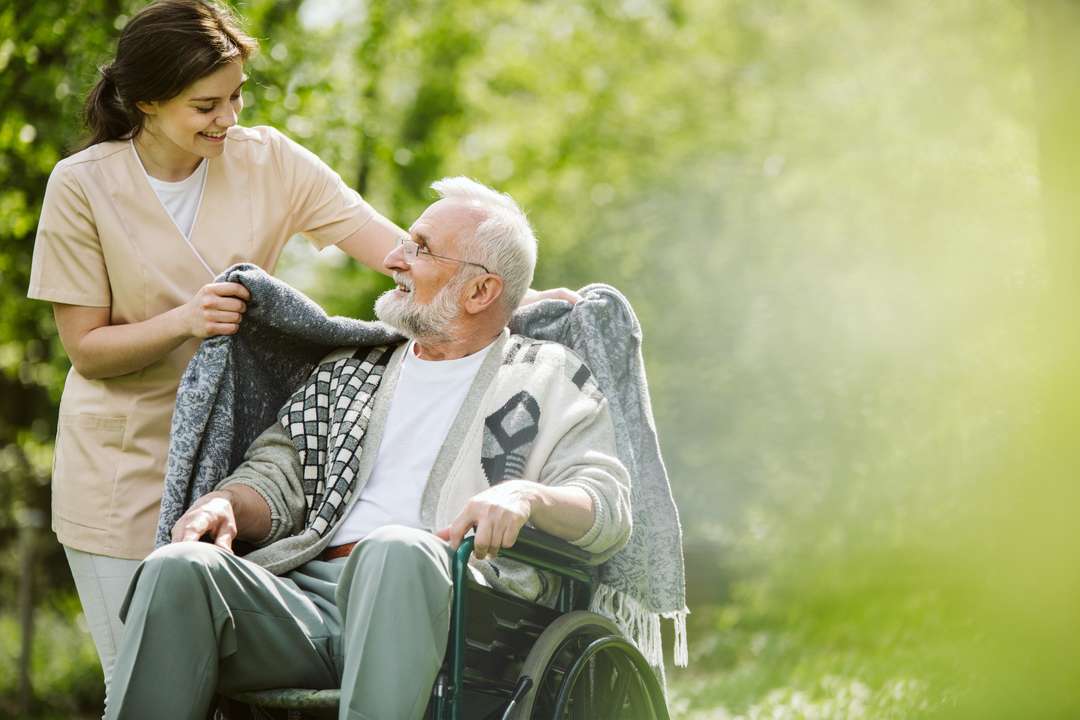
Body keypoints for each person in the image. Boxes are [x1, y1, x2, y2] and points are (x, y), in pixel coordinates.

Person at [25, 0, 576, 700]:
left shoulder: (269, 161)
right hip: (123, 464)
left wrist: (513, 293)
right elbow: (87, 349)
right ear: (147, 102)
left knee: (217, 687)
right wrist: (185, 321)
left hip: (237, 455)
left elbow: (398, 251)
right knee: (135, 681)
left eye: (236, 97)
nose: (228, 119)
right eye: (206, 106)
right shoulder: (81, 185)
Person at [104, 177, 632, 720]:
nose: (394, 259)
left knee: (395, 549)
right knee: (179, 568)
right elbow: (276, 475)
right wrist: (227, 501)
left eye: (420, 248)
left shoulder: (548, 377)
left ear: (480, 291)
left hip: (461, 609)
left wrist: (526, 496)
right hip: (309, 602)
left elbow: (607, 504)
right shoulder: (351, 371)